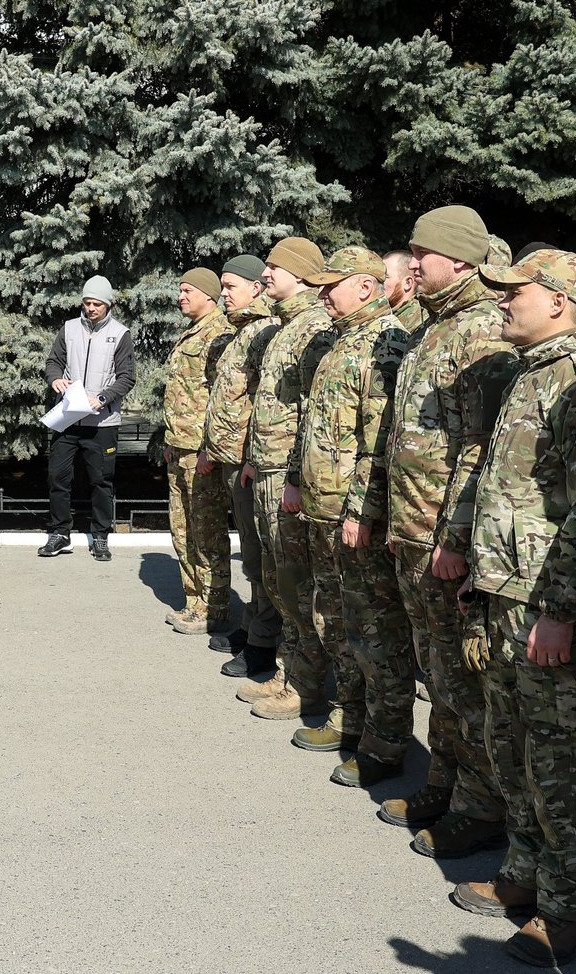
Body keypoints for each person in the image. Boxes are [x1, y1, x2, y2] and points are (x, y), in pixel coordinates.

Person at [455, 250, 576, 966]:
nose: (501, 303)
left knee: (559, 762)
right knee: (515, 747)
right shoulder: (536, 372)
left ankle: (569, 905)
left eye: (514, 293)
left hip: (546, 606)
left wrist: (561, 609)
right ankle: (526, 873)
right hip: (508, 594)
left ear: (560, 300)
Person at [382, 205, 519, 858]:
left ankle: (481, 806)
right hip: (413, 531)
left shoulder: (483, 331)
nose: (412, 262)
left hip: (445, 541)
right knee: (437, 675)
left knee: (466, 683)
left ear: (460, 261)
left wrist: (455, 539)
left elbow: (482, 448)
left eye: (422, 252)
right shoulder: (435, 327)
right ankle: (445, 779)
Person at [295, 247, 413, 783]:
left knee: (376, 629)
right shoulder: (344, 342)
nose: (322, 293)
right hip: (325, 510)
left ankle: (386, 742)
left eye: (332, 284)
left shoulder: (386, 344)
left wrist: (363, 510)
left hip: (353, 516)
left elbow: (379, 441)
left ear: (365, 288)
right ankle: (350, 717)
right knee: (339, 621)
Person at [241, 237, 337, 720]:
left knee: (300, 588)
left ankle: (306, 684)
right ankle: (289, 670)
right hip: (270, 470)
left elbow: (314, 416)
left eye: (274, 267)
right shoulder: (287, 326)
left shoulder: (314, 329)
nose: (265, 275)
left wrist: (296, 475)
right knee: (281, 582)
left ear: (299, 274)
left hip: (290, 478)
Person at [201, 256, 282, 664]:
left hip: (249, 462)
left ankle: (264, 640)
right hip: (232, 458)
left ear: (255, 288)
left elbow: (265, 404)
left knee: (258, 553)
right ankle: (252, 625)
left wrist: (251, 455)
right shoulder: (242, 331)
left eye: (230, 286)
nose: (223, 295)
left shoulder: (266, 331)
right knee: (251, 549)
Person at [42, 276, 137, 561]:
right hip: (68, 418)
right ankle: (60, 534)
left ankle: (100, 537)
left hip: (102, 423)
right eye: (87, 303)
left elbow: (127, 377)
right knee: (57, 477)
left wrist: (103, 398)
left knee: (101, 481)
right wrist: (55, 379)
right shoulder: (69, 328)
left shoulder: (121, 334)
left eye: (97, 303)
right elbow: (53, 362)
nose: (91, 308)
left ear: (108, 305)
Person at [161, 267, 235, 635]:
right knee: (182, 529)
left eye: (188, 290)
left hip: (201, 452)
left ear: (210, 295)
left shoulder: (219, 335)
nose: (181, 296)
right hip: (179, 447)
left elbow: (222, 397)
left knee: (207, 532)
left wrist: (210, 446)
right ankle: (194, 600)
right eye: (180, 290)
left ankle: (214, 607)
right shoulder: (192, 332)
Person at [383, 250, 425, 333]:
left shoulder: (419, 323)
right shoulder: (387, 314)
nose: (378, 282)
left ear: (408, 283)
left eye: (385, 277)